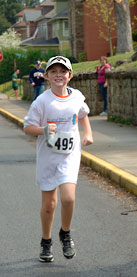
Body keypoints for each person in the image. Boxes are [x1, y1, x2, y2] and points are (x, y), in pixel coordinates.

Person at [23, 56, 93, 262]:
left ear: (70, 76)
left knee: (68, 198)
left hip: (70, 155)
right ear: (46, 76)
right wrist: (43, 130)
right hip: (47, 156)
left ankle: (66, 233)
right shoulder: (42, 101)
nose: (58, 75)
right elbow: (27, 127)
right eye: (53, 72)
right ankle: (46, 241)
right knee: (49, 204)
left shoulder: (77, 96)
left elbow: (82, 114)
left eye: (63, 71)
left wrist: (87, 133)